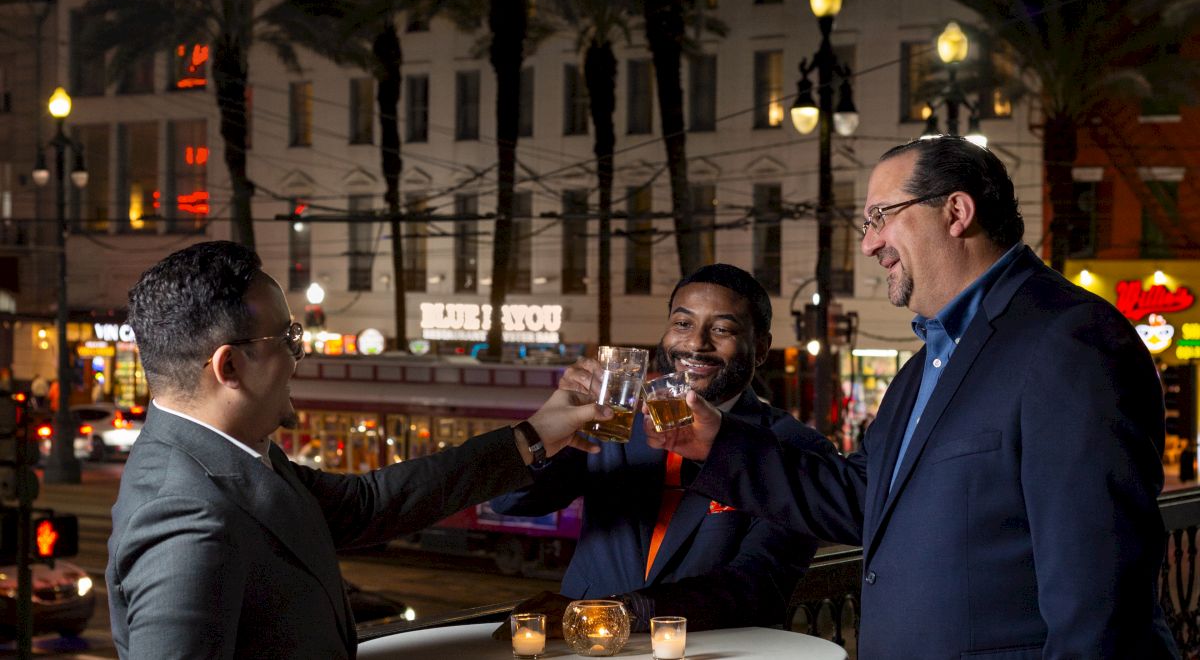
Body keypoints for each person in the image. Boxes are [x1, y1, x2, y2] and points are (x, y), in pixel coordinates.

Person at [652, 137, 1176, 659]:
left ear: (956, 211)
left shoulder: (1069, 339)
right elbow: (863, 497)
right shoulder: (924, 367)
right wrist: (716, 441)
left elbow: (1100, 598)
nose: (868, 244)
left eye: (881, 216)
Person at [107, 241, 607, 659]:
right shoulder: (185, 515)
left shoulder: (229, 457)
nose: (301, 355)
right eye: (288, 337)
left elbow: (368, 504)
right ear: (230, 367)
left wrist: (533, 436)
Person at [491, 263, 835, 635]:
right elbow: (510, 503)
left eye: (721, 329)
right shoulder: (614, 420)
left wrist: (617, 613)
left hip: (711, 652)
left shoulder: (795, 446)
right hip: (587, 651)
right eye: (682, 324)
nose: (695, 344)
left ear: (762, 348)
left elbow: (759, 584)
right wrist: (543, 432)